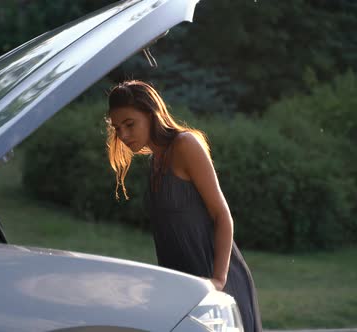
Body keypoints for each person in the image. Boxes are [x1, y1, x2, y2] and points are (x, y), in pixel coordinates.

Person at [105, 80, 262, 332]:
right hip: (183, 289)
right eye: (117, 128)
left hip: (215, 286)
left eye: (129, 124)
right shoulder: (155, 161)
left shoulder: (185, 145)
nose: (123, 135)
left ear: (150, 113)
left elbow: (222, 215)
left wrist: (218, 281)